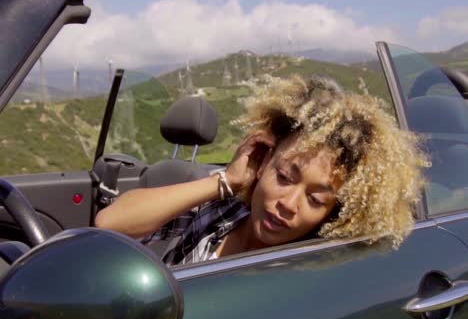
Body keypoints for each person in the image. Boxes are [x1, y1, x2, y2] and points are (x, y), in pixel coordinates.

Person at [95, 75, 428, 266]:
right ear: (264, 159)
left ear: (335, 214)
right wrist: (227, 180)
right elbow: (110, 225)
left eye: (315, 200)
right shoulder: (221, 211)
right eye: (284, 177)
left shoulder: (305, 266)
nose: (288, 203)